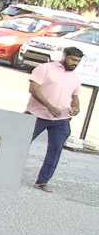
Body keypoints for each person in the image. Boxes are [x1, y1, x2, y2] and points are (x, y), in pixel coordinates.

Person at [26, 46, 84, 192]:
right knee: (20, 144)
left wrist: (76, 107)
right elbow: (33, 89)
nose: (75, 63)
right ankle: (4, 171)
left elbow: (75, 97)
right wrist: (49, 106)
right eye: (72, 59)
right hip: (36, 115)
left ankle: (42, 182)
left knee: (55, 150)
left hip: (61, 119)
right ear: (64, 56)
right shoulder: (45, 69)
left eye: (77, 61)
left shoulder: (75, 77)